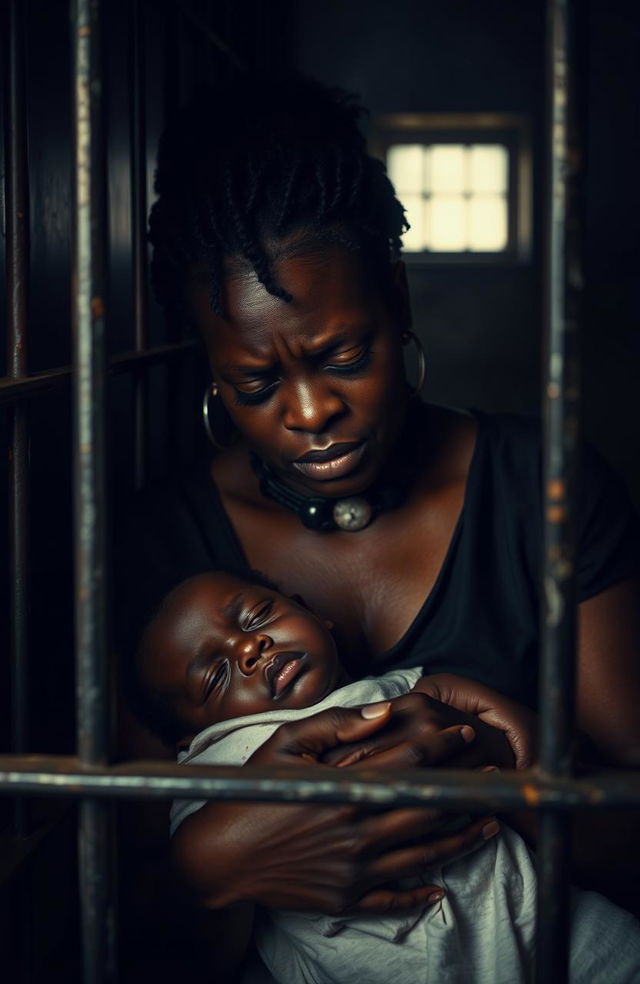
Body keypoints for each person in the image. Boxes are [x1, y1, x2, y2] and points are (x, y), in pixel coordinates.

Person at [116, 72, 640, 976]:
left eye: (343, 356)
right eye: (256, 384)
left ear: (396, 304)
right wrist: (215, 867)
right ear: (210, 373)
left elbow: (634, 843)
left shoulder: (541, 488)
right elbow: (124, 912)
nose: (311, 410)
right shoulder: (158, 543)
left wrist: (486, 764)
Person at [128, 569, 640, 984]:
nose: (248, 649)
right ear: (189, 740)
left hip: (536, 922)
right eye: (214, 677)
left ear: (315, 614)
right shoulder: (207, 773)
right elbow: (199, 920)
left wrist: (500, 728)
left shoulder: (414, 687)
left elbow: (556, 759)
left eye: (258, 615)